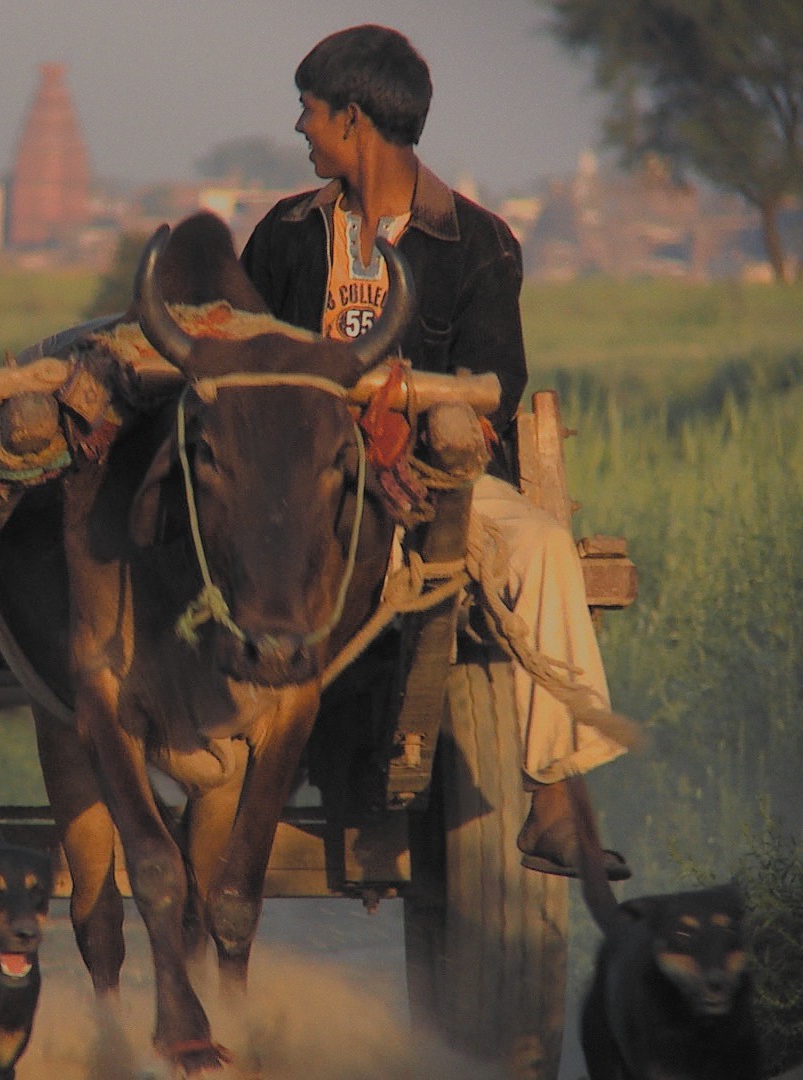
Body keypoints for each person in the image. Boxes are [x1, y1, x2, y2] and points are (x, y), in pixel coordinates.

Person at [240, 25, 630, 878]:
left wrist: (395, 402)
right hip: (297, 483)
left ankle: (556, 801)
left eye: (308, 111)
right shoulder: (286, 235)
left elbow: (496, 386)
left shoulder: (479, 244)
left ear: (353, 120)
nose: (299, 129)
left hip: (430, 482)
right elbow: (240, 352)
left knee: (542, 547)